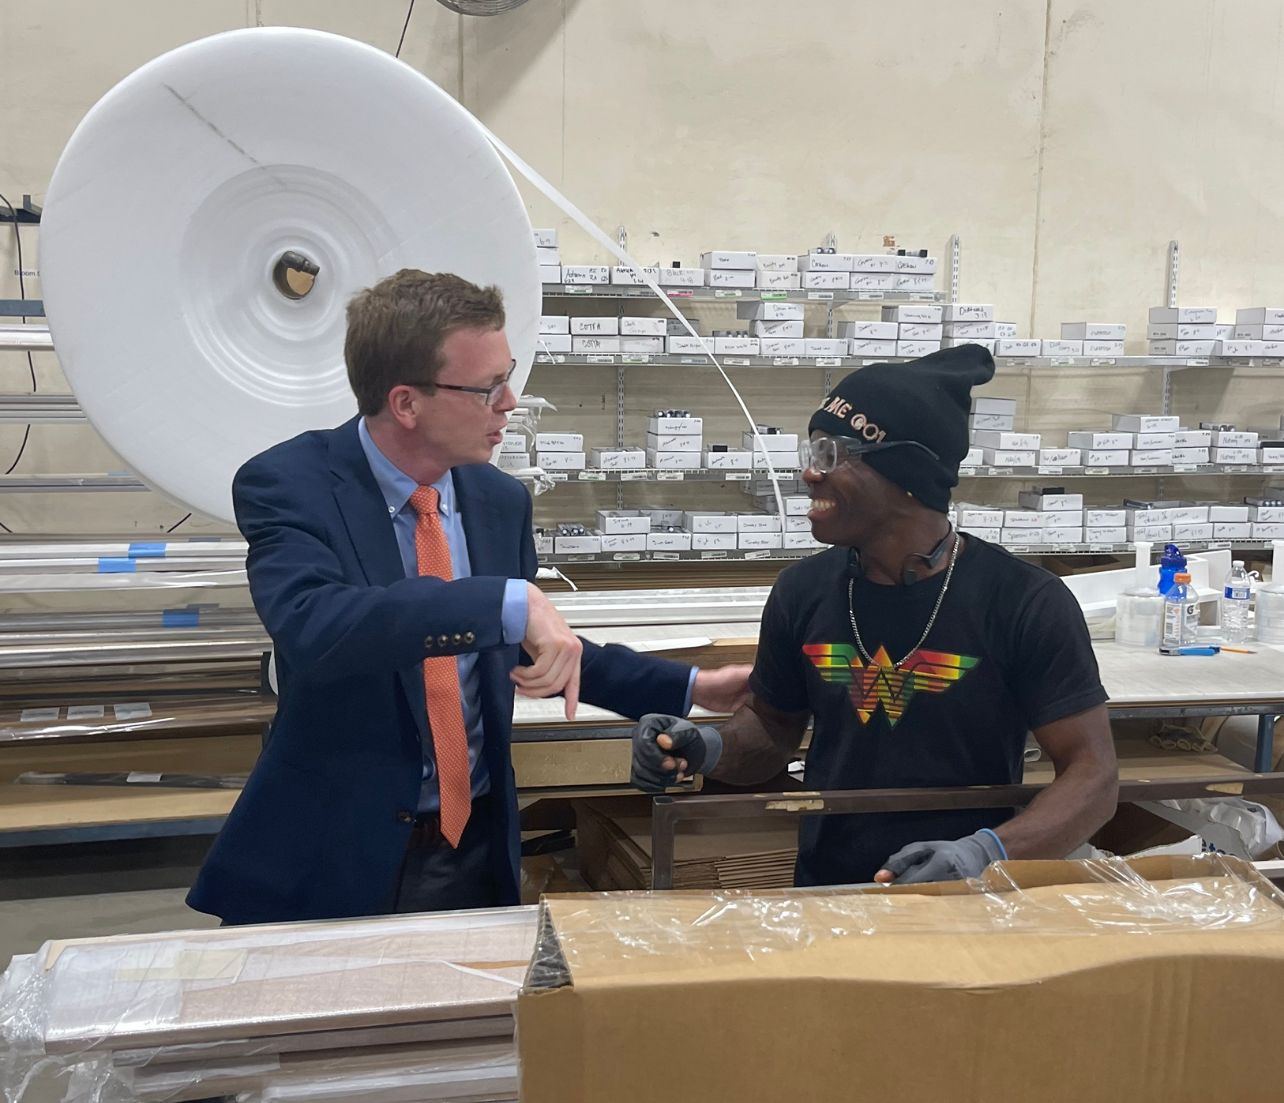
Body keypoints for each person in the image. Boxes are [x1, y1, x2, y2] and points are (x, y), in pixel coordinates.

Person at [188, 270, 750, 925]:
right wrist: (502, 601)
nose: (510, 402)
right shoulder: (290, 485)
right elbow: (317, 627)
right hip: (333, 853)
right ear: (406, 403)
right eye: (487, 387)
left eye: (507, 376)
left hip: (471, 849)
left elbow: (535, 646)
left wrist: (688, 688)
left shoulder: (497, 499)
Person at [631, 345, 1119, 887]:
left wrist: (984, 854)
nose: (809, 473)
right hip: (828, 891)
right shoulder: (803, 590)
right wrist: (709, 748)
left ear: (906, 472)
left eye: (830, 454)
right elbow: (772, 731)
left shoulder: (1023, 601)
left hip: (968, 899)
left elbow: (1094, 778)